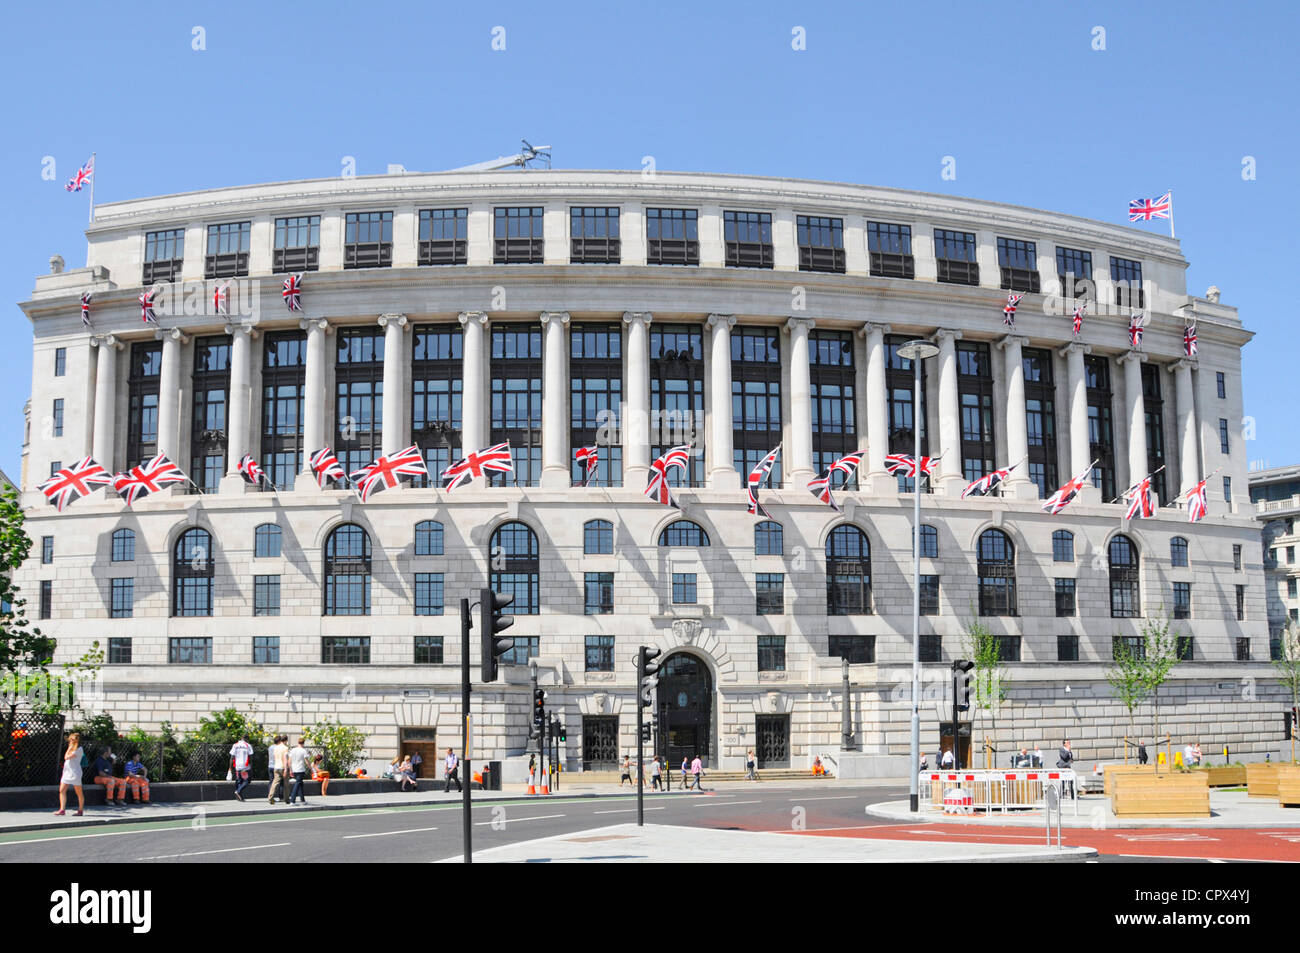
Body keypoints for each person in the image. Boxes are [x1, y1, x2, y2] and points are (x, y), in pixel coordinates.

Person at [55, 732, 85, 817]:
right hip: (67, 772)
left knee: (79, 792)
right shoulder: (72, 748)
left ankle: (80, 810)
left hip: (75, 772)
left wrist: (69, 748)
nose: (70, 741)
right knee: (62, 790)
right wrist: (70, 748)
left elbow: (66, 757)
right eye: (70, 739)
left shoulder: (79, 749)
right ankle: (62, 809)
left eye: (72, 740)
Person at [230, 734, 253, 802]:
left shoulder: (235, 745)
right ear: (246, 739)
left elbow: (232, 757)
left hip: (237, 766)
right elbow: (250, 757)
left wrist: (230, 768)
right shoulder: (248, 745)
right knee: (247, 780)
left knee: (239, 781)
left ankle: (240, 797)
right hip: (245, 766)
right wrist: (251, 767)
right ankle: (238, 791)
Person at [267, 735, 289, 804]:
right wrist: (286, 769)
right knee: (286, 784)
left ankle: (270, 797)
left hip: (276, 767)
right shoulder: (285, 748)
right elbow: (285, 758)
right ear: (285, 741)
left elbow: (274, 756)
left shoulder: (275, 748)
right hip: (282, 767)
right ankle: (287, 799)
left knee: (275, 783)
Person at [289, 738, 311, 804]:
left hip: (294, 769)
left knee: (300, 784)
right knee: (298, 783)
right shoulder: (303, 751)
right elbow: (306, 761)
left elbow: (289, 761)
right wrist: (311, 768)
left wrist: (290, 770)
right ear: (303, 743)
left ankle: (302, 800)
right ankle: (292, 800)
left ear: (298, 742)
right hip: (300, 769)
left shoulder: (293, 750)